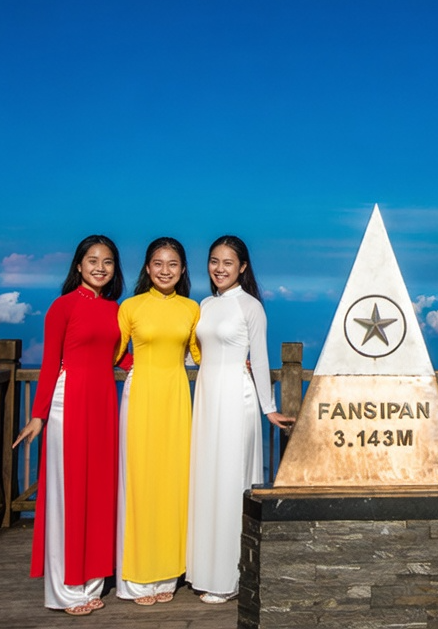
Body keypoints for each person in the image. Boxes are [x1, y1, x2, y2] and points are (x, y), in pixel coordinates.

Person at [13, 235, 130, 617]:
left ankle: (92, 582)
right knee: (67, 494)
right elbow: (50, 363)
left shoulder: (115, 309)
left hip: (102, 406)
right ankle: (64, 590)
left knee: (98, 491)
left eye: (108, 261)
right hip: (69, 402)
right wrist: (38, 414)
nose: (100, 267)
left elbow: (125, 357)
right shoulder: (62, 307)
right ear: (78, 265)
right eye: (92, 260)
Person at [187, 235, 295, 604]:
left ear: (243, 267)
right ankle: (203, 569)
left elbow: (260, 359)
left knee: (231, 480)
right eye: (214, 261)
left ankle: (229, 576)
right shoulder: (205, 304)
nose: (219, 268)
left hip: (236, 398)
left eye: (228, 263)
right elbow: (199, 353)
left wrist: (269, 407)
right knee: (207, 478)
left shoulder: (250, 307)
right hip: (206, 397)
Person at [115, 237, 200, 606]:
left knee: (173, 481)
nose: (165, 270)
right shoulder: (130, 307)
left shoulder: (192, 308)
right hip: (142, 396)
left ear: (182, 270)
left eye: (173, 264)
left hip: (177, 398)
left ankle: (167, 572)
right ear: (147, 268)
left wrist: (239, 365)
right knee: (140, 481)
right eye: (158, 263)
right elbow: (114, 352)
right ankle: (136, 577)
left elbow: (201, 354)